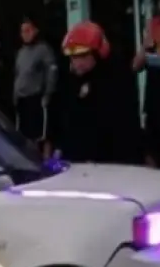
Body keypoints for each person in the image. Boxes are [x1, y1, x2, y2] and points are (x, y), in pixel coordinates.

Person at [55, 21, 143, 165]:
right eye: (73, 57)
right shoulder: (69, 80)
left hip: (112, 163)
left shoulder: (117, 78)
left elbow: (123, 127)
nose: (77, 62)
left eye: (83, 56)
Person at [12, 16, 58, 155]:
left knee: (43, 135)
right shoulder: (21, 52)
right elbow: (18, 74)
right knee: (26, 135)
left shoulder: (43, 49)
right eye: (23, 31)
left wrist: (48, 93)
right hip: (22, 99)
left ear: (36, 31)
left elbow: (52, 71)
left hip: (37, 98)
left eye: (28, 30)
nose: (25, 34)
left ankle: (46, 162)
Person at [134, 16, 160, 170]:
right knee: (151, 149)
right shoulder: (150, 49)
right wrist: (144, 47)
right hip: (152, 106)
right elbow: (135, 66)